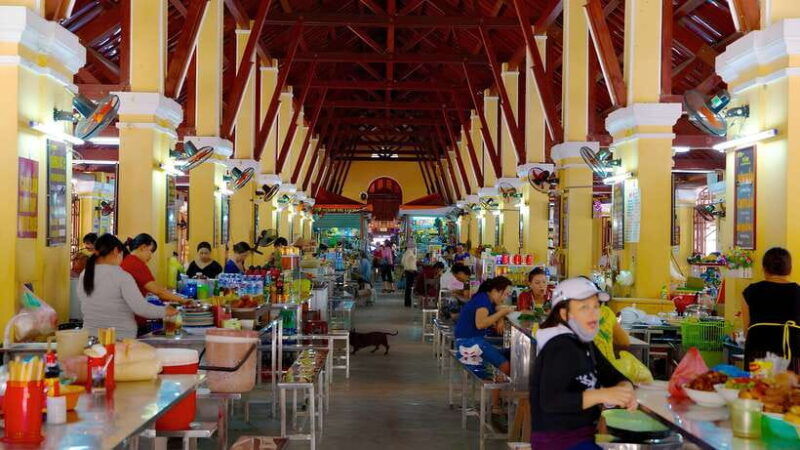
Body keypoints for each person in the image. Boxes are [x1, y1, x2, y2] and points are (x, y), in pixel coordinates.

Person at [531, 277, 635, 449]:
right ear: (564, 314)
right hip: (559, 442)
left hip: (584, 438)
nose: (593, 313)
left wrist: (625, 387)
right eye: (584, 307)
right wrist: (604, 395)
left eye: (596, 306)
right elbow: (551, 400)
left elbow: (612, 375)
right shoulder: (559, 346)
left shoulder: (585, 343)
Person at [78, 234, 177, 339]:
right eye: (121, 254)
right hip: (120, 337)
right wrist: (166, 311)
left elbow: (84, 301)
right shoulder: (122, 276)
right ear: (116, 251)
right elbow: (141, 308)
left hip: (90, 336)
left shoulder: (85, 274)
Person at [743, 247, 800, 372]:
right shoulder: (798, 292)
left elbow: (747, 330)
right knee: (790, 390)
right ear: (789, 269)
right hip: (793, 353)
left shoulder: (751, 291)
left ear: (764, 268)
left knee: (759, 388)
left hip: (758, 352)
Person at [454, 276, 515, 375]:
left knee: (504, 353)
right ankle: (493, 388)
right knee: (505, 366)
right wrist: (502, 313)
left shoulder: (485, 297)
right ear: (495, 291)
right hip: (468, 342)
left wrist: (500, 318)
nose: (505, 298)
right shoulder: (483, 301)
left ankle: (494, 386)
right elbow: (480, 324)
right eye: (505, 294)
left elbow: (498, 307)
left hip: (469, 339)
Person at [121, 233, 184, 303]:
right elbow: (158, 292)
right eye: (150, 251)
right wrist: (182, 300)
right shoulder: (136, 264)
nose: (150, 257)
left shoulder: (127, 259)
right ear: (143, 247)